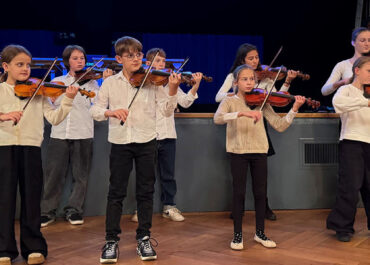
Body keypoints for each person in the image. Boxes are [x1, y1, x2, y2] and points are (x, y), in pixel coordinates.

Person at [90, 36, 180, 263]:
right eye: (130, 55)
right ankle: (111, 241)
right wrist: (111, 112)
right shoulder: (110, 83)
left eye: (139, 54)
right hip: (120, 142)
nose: (136, 59)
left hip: (147, 141)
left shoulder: (153, 81)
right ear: (119, 59)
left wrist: (173, 89)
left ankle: (144, 238)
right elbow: (96, 110)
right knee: (116, 193)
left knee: (145, 192)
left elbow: (168, 111)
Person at [0, 45, 78, 265]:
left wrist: (69, 99)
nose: (26, 69)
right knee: (4, 200)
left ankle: (33, 246)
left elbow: (54, 118)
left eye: (28, 65)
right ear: (6, 66)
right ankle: (3, 249)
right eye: (20, 64)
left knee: (32, 200)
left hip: (31, 148)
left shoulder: (38, 91)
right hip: (4, 148)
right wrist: (4, 116)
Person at [214, 64, 305, 250]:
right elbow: (218, 118)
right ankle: (237, 235)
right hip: (238, 152)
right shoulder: (230, 100)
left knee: (261, 193)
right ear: (236, 82)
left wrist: (294, 108)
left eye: (252, 79)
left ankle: (260, 233)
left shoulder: (263, 102)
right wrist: (241, 113)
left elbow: (279, 125)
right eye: (245, 79)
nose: (249, 82)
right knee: (239, 194)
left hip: (259, 151)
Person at [216, 43, 298, 220]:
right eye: (250, 58)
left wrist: (287, 83)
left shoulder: (266, 78)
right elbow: (218, 98)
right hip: (239, 128)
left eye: (256, 57)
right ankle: (238, 210)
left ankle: (264, 208)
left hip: (259, 123)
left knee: (260, 179)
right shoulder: (234, 77)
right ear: (242, 60)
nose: (255, 61)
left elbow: (275, 98)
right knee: (239, 179)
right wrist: (238, 96)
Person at [40, 45, 111, 227]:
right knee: (53, 175)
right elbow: (49, 104)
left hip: (83, 133)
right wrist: (56, 98)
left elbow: (100, 107)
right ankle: (47, 212)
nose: (80, 61)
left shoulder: (95, 83)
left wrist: (106, 82)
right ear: (67, 61)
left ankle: (74, 211)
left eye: (82, 58)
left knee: (80, 176)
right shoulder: (58, 81)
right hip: (59, 133)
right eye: (75, 58)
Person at [131, 48, 202, 223]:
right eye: (157, 61)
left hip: (168, 135)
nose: (161, 64)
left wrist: (195, 86)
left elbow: (185, 103)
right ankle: (141, 208)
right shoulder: (143, 83)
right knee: (145, 175)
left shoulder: (171, 83)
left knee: (168, 175)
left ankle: (169, 206)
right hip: (146, 135)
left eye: (163, 61)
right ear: (148, 64)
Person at [326, 56, 370, 242]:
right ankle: (343, 227)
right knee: (350, 186)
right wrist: (365, 102)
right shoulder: (346, 90)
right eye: (369, 71)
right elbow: (338, 106)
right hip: (352, 141)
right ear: (357, 71)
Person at [321, 27, 370, 96]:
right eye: (362, 40)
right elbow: (324, 91)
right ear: (353, 43)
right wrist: (342, 82)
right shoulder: (343, 65)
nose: (367, 44)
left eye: (369, 40)